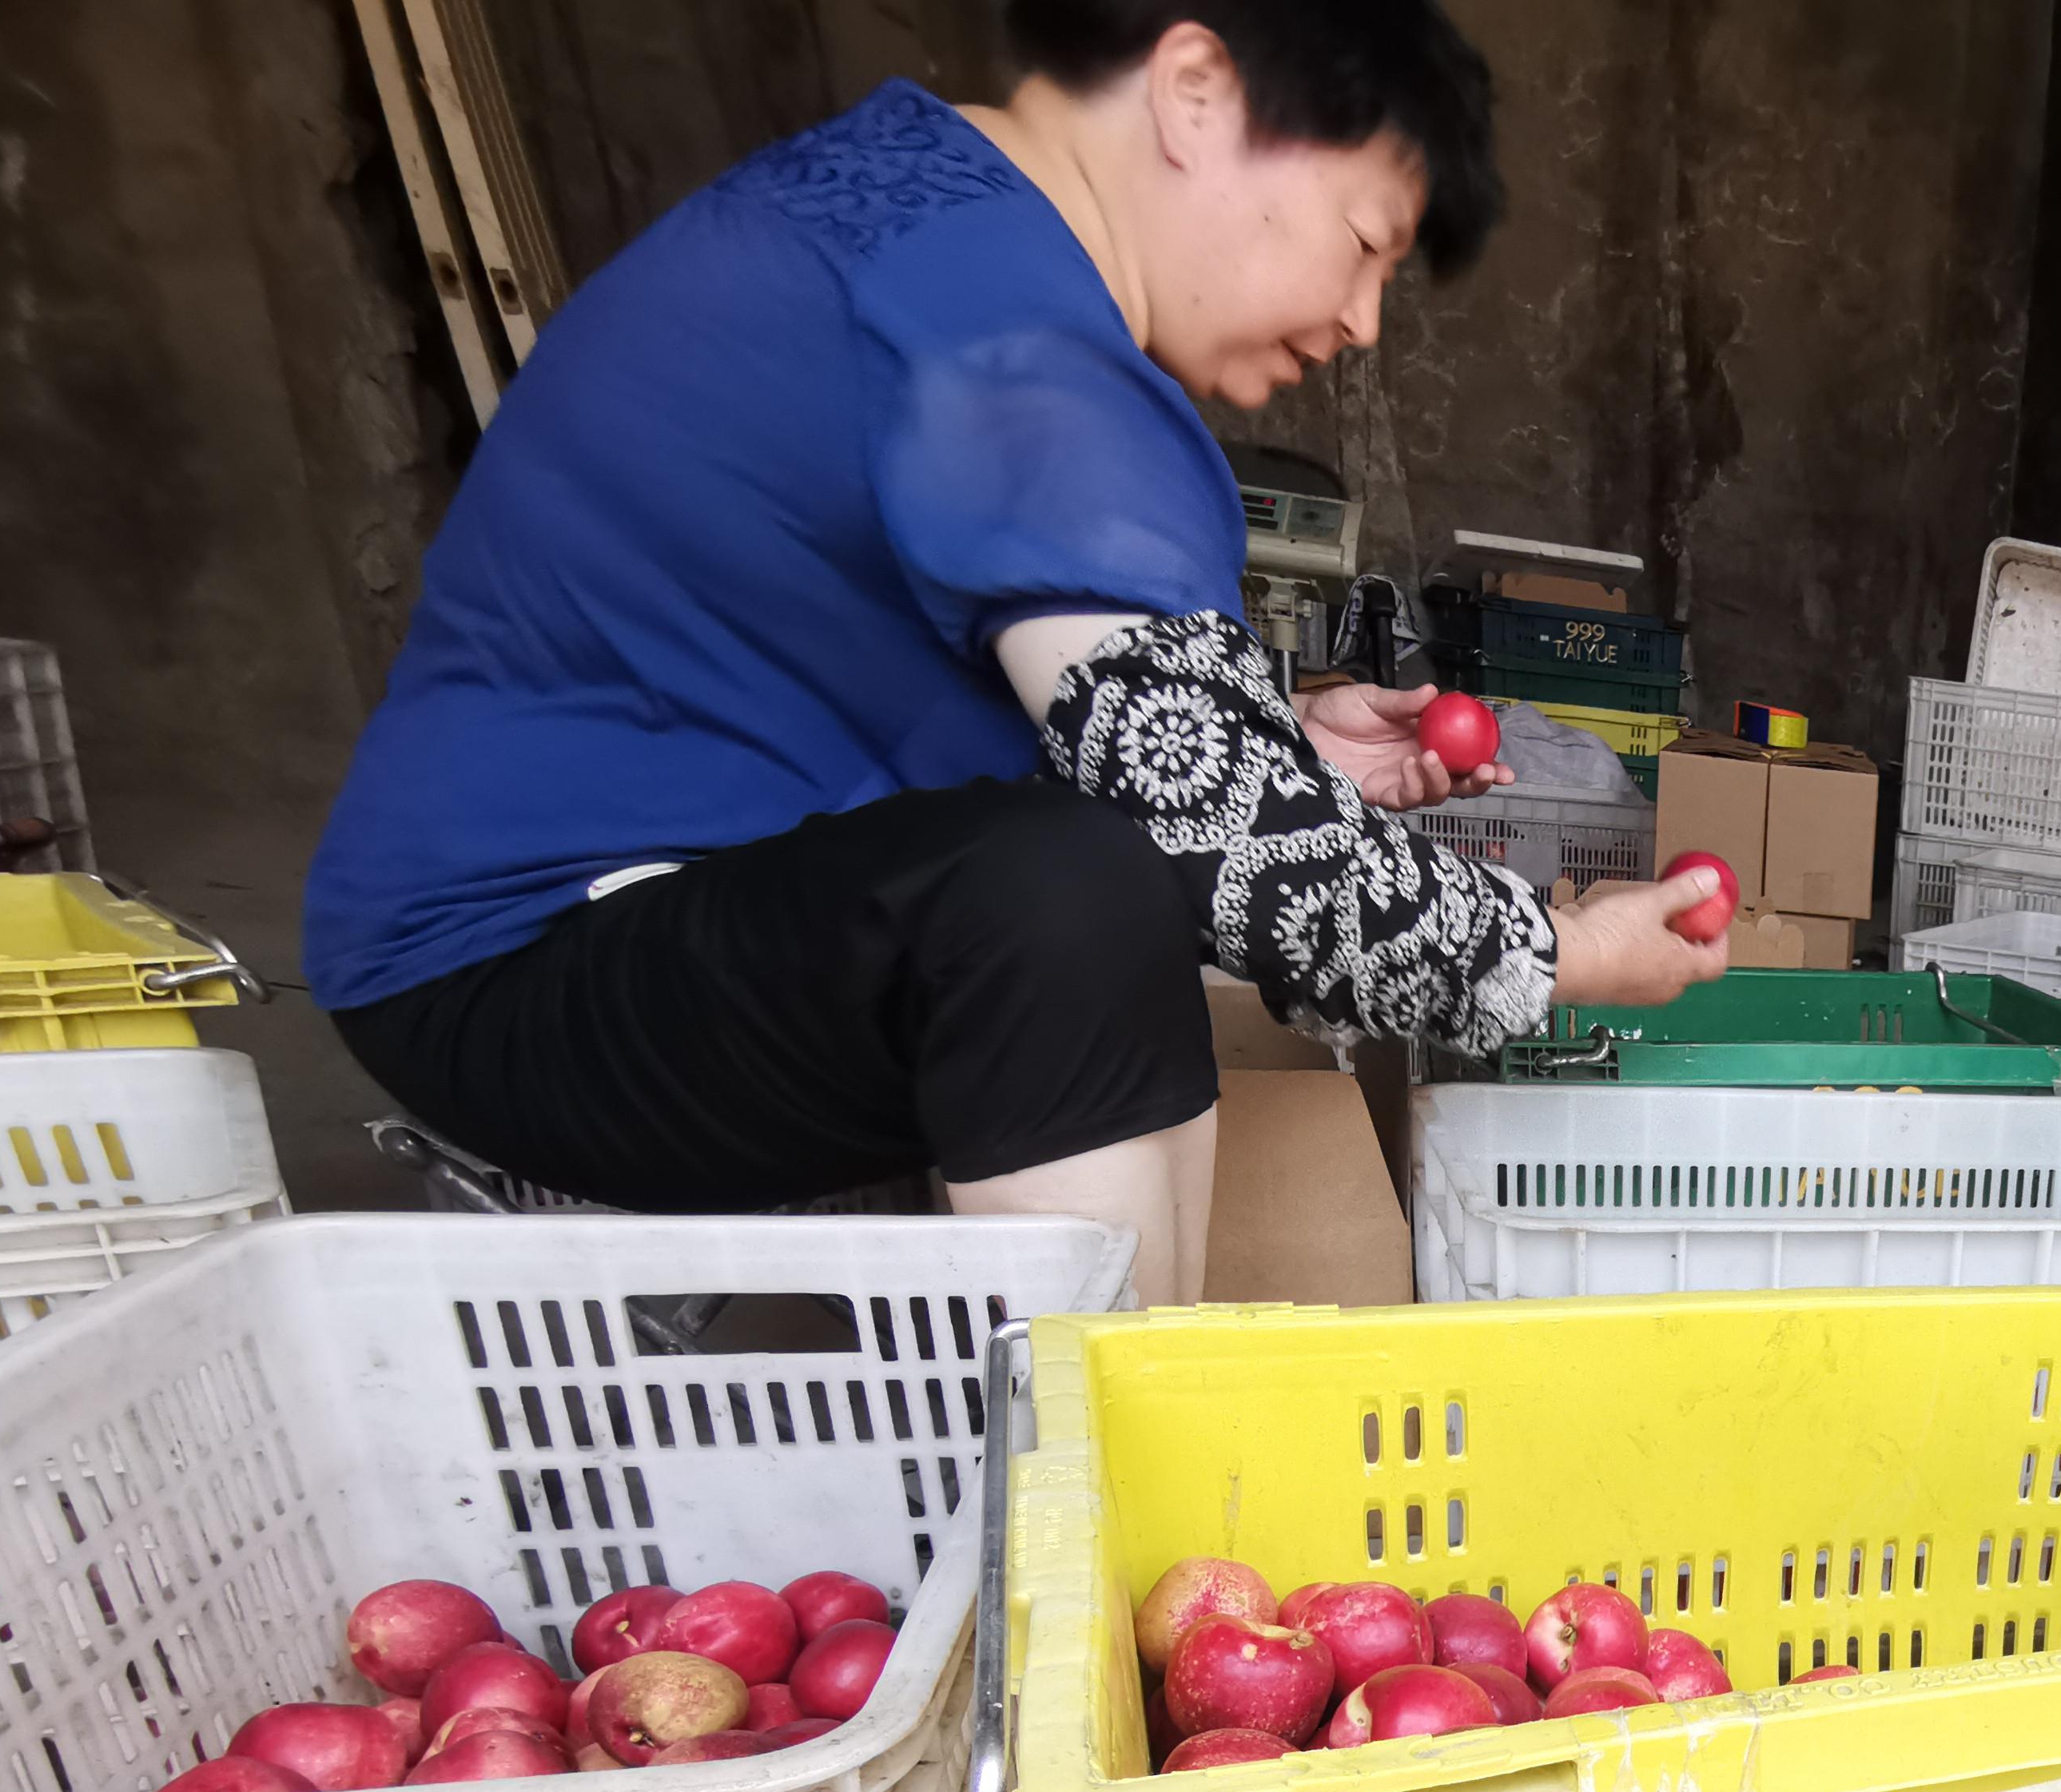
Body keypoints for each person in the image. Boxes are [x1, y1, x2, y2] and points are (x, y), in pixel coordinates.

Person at [304, 0, 1722, 1298]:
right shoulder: (1015, 340)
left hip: (571, 936)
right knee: (1066, 898)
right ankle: (1098, 1505)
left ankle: (1116, 1461)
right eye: (1363, 242)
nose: (1359, 323)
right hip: (521, 961)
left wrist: (1272, 727)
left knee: (1101, 868)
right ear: (1195, 93)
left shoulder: (912, 222)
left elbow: (1084, 737)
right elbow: (1244, 854)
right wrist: (1567, 952)